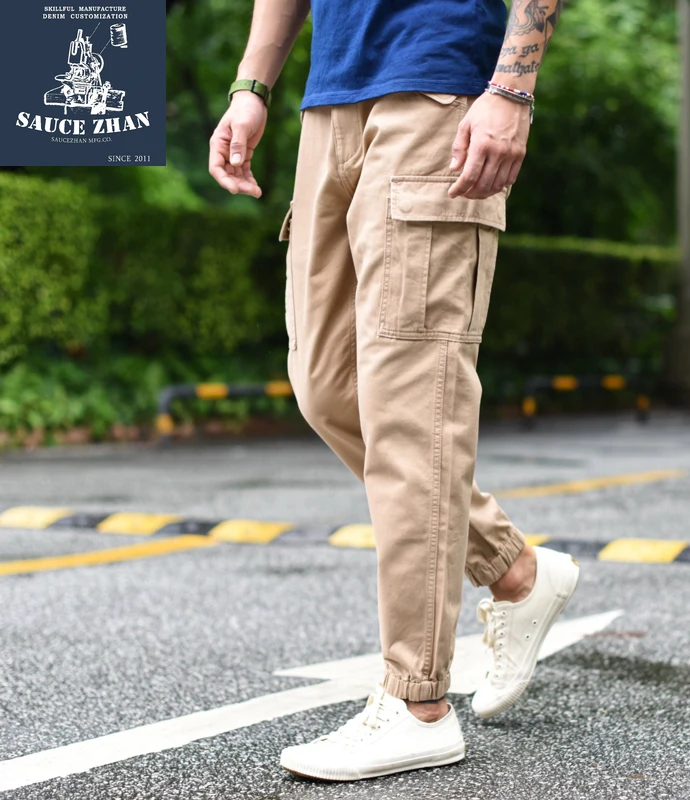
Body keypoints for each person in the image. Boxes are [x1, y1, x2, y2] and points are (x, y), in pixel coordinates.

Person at [209, 0, 578, 782]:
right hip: (331, 99)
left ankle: (417, 704)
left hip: (438, 91)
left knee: (413, 404)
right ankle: (514, 570)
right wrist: (252, 86)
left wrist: (512, 88)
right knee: (325, 384)